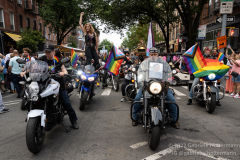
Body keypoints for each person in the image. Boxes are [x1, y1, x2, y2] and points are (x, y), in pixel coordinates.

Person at [21, 43, 79, 129]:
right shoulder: (42, 59)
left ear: (53, 52)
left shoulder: (58, 60)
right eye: (46, 52)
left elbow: (64, 69)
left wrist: (63, 73)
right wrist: (25, 72)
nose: (47, 54)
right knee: (33, 98)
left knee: (66, 102)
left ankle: (73, 121)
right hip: (44, 83)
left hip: (57, 84)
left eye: (49, 52)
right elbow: (33, 67)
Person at [132, 47, 180, 129]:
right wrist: (136, 72)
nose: (153, 56)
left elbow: (169, 71)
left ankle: (175, 120)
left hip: (162, 86)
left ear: (158, 54)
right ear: (149, 55)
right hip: (147, 86)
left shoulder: (164, 63)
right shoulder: (144, 63)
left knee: (171, 101)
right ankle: (135, 118)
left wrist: (173, 71)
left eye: (155, 54)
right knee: (137, 100)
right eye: (151, 54)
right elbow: (139, 71)